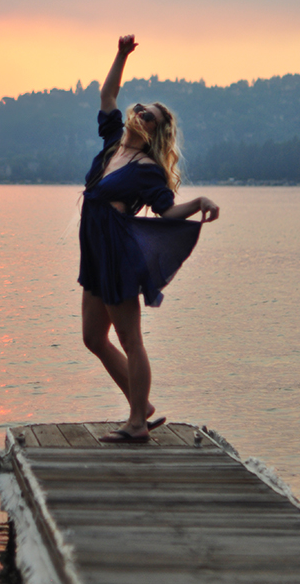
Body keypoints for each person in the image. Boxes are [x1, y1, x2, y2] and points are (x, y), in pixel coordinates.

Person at [79, 34, 219, 443]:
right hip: (95, 251)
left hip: (118, 253)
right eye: (142, 107)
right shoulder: (111, 146)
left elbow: (167, 210)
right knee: (92, 338)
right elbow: (108, 94)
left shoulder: (147, 168)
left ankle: (137, 422)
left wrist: (198, 203)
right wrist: (121, 55)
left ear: (156, 133)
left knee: (129, 339)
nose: (141, 111)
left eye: (151, 115)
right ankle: (143, 405)